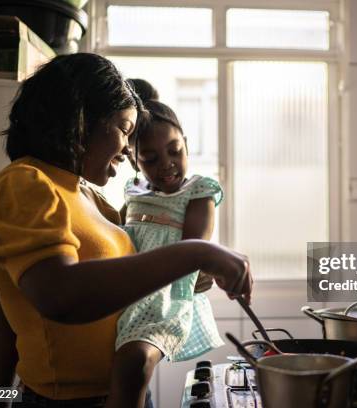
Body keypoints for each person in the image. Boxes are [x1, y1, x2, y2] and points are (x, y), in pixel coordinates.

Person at [0, 53, 252, 408]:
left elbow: (12, 298)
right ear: (81, 119)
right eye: (124, 130)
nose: (127, 150)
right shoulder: (26, 182)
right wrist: (196, 253)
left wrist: (185, 274)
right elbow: (54, 295)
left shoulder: (90, 196)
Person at [105, 99, 224, 408]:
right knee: (120, 369)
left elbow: (193, 252)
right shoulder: (133, 191)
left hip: (165, 295)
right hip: (125, 291)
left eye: (175, 150)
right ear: (134, 161)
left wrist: (207, 267)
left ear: (186, 143)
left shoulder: (200, 191)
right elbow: (113, 232)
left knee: (135, 361)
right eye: (150, 158)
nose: (166, 164)